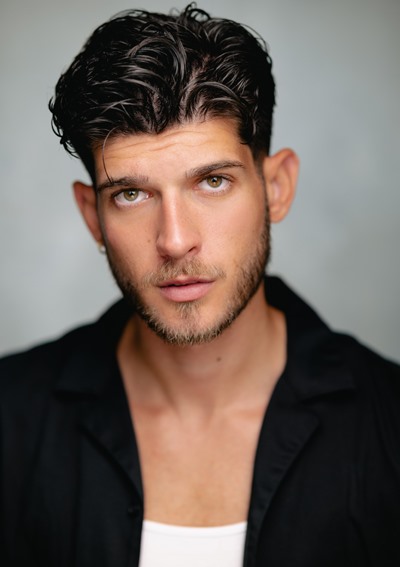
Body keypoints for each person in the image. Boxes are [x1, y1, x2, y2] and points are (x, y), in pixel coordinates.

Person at [1, 5, 399, 566]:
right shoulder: (12, 419)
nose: (175, 240)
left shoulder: (389, 425)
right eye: (131, 195)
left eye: (212, 181)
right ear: (93, 217)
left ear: (276, 187)